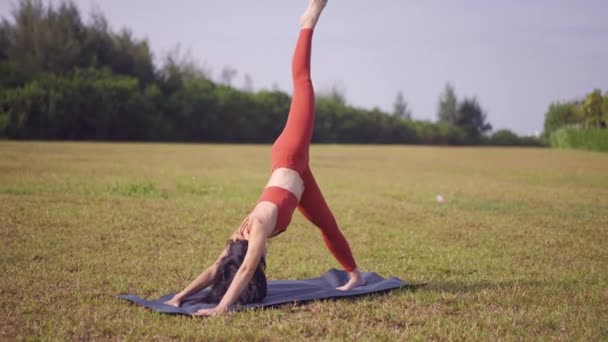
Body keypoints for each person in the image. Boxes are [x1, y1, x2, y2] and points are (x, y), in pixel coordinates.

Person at [164, 0, 364, 316]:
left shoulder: (255, 229)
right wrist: (180, 296)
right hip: (299, 178)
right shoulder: (236, 241)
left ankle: (308, 20)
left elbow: (243, 271)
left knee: (303, 84)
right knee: (327, 225)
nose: (255, 261)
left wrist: (221, 308)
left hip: (290, 155)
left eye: (250, 259)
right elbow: (218, 267)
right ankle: (354, 274)